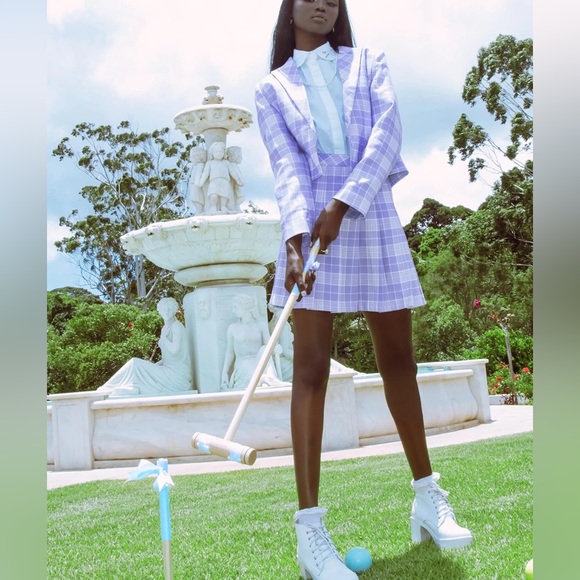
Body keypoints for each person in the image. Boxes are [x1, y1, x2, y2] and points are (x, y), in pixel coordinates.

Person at [254, 1, 473, 578]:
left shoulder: (369, 62)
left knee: (399, 360)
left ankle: (428, 498)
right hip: (311, 228)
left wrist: (344, 202)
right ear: (290, 9)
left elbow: (387, 133)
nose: (322, 3)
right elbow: (286, 167)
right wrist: (296, 239)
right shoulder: (272, 89)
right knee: (310, 371)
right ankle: (309, 531)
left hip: (369, 211)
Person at [97, 297, 192, 396]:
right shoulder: (165, 329)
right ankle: (131, 387)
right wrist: (152, 366)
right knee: (140, 368)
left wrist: (164, 339)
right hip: (167, 369)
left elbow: (174, 350)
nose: (166, 312)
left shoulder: (176, 327)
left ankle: (108, 387)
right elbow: (167, 358)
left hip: (176, 375)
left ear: (174, 310)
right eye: (164, 309)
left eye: (169, 309)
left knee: (135, 363)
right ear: (160, 311)